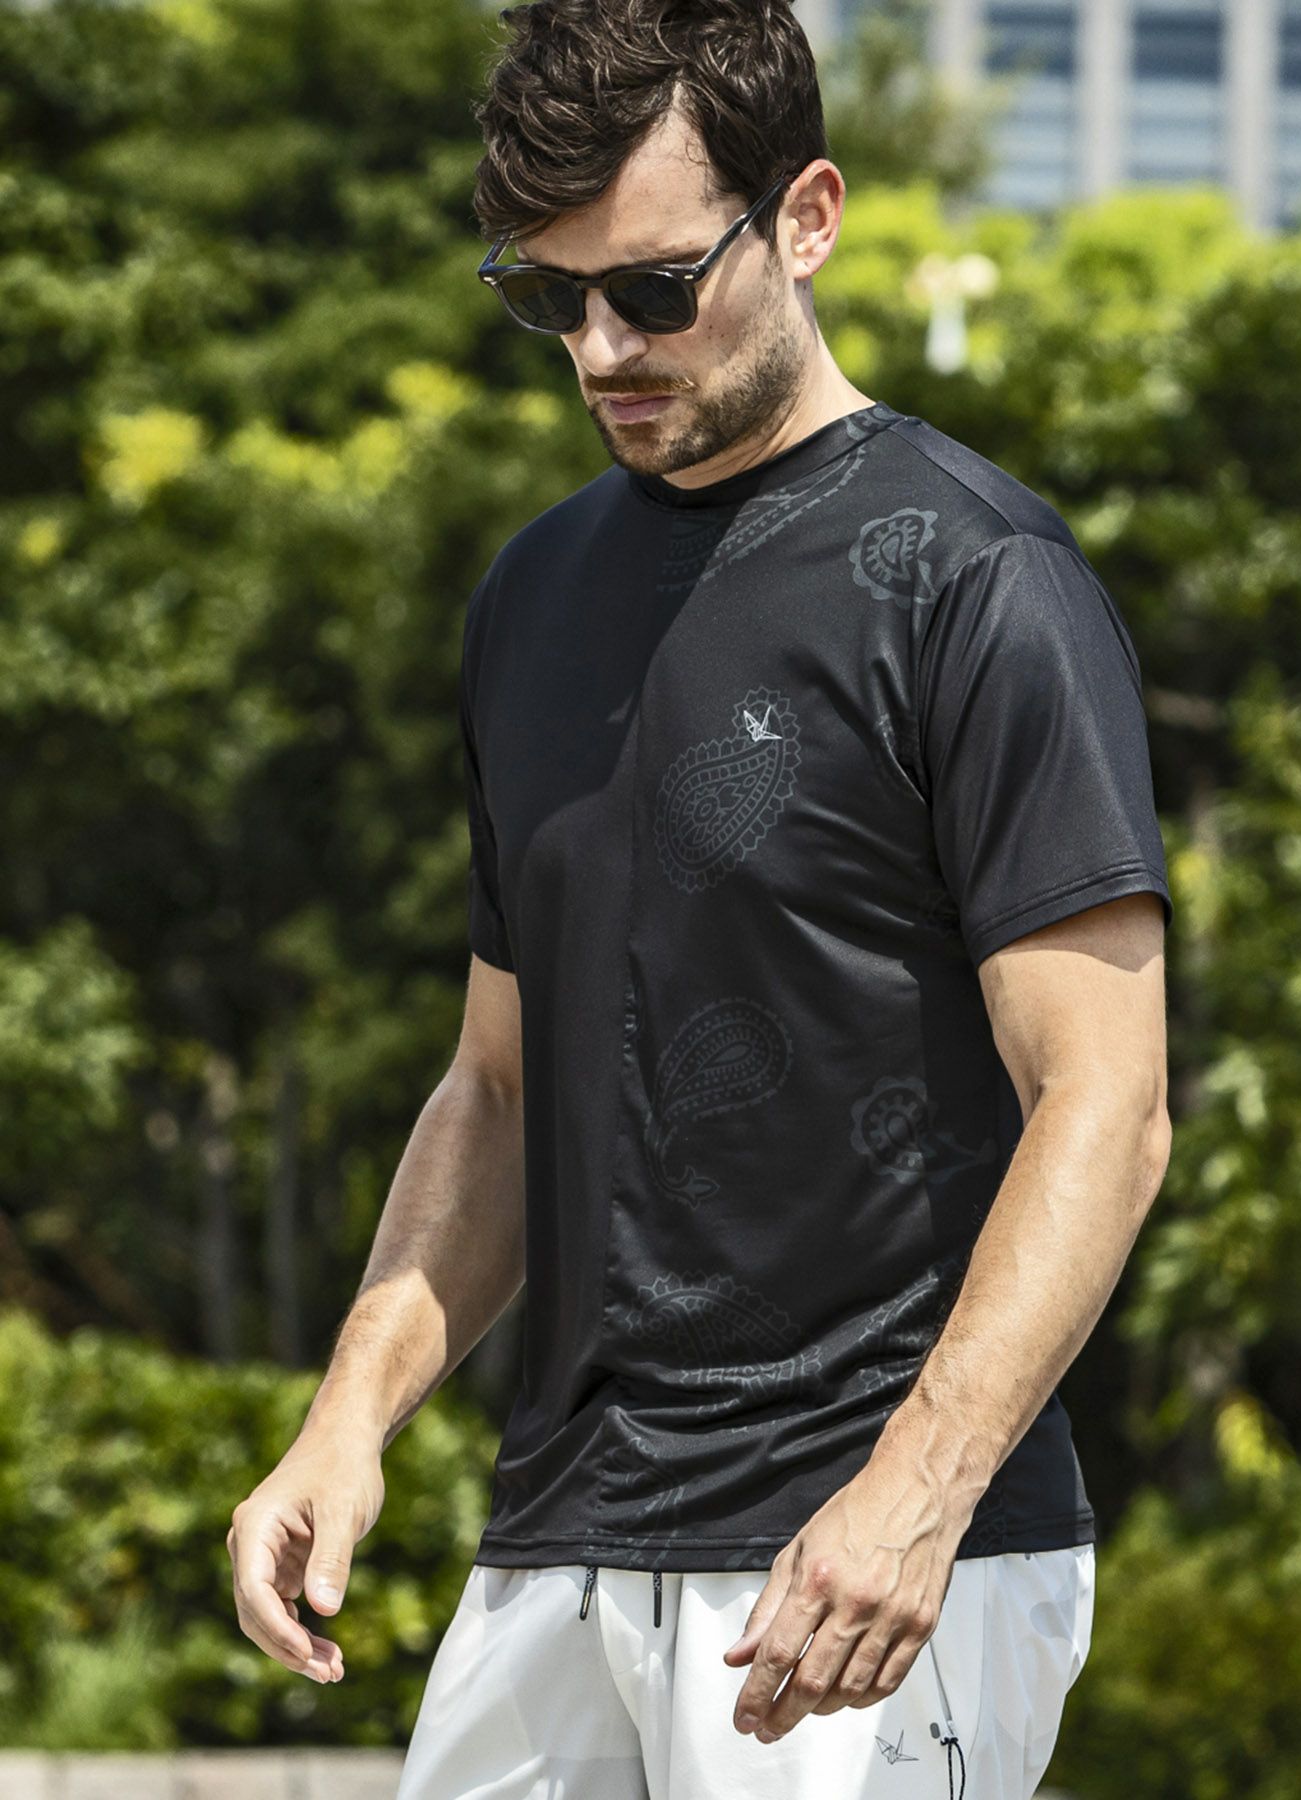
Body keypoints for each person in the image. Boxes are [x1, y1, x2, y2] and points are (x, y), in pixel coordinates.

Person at [225, 2, 1174, 1795]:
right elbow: (498, 1082)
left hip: (868, 1561)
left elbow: (1106, 1106)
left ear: (806, 217)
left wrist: (915, 1493)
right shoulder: (530, 596)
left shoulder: (981, 583)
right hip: (560, 1540)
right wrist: (348, 1418)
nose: (600, 348)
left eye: (654, 289)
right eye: (548, 297)